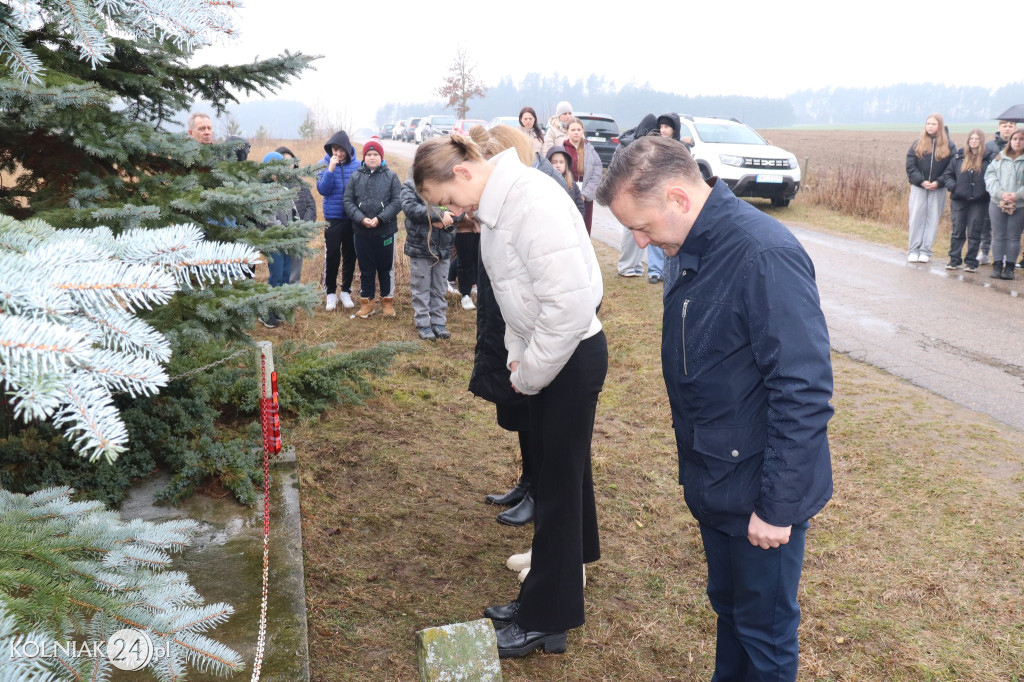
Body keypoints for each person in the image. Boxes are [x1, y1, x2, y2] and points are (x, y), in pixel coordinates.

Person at [597, 136, 834, 681]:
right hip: (719, 479)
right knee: (731, 611)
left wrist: (778, 507)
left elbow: (802, 390)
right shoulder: (691, 246)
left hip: (760, 490)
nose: (638, 240)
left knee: (765, 633)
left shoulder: (762, 254)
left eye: (642, 226)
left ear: (678, 199)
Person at [414, 135, 606, 659]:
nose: (455, 213)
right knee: (556, 476)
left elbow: (568, 305)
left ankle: (547, 620)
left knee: (558, 491)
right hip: (548, 356)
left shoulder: (530, 201)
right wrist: (519, 358)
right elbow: (517, 301)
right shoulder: (500, 205)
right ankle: (555, 577)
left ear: (462, 173)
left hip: (568, 357)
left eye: (449, 201)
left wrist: (530, 373)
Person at [342, 137, 403, 317]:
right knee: (366, 268)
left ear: (381, 156)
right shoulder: (356, 176)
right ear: (364, 157)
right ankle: (367, 303)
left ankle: (387, 301)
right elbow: (348, 201)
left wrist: (380, 218)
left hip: (385, 231)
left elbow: (397, 201)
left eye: (375, 154)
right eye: (369, 154)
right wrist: (361, 219)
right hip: (361, 232)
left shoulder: (391, 176)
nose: (372, 157)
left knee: (385, 268)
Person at [400, 172, 456, 340]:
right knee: (421, 286)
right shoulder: (410, 185)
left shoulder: (448, 183)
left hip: (444, 245)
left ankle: (439, 322)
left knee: (440, 287)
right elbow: (411, 209)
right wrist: (438, 215)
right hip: (421, 246)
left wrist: (449, 218)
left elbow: (458, 208)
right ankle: (423, 323)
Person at [317, 130, 361, 311]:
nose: (339, 153)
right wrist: (330, 170)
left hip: (352, 218)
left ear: (348, 149)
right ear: (330, 149)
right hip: (333, 218)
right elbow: (323, 190)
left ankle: (346, 290)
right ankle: (330, 293)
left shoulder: (357, 164)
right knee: (333, 255)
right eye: (335, 149)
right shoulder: (323, 164)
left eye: (342, 150)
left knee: (350, 254)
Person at [905, 114, 956, 263]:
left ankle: (925, 251)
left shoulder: (949, 146)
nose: (930, 126)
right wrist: (921, 181)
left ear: (939, 126)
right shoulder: (917, 144)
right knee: (916, 219)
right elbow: (910, 165)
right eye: (928, 123)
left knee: (932, 219)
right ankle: (913, 249)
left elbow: (951, 168)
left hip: (937, 189)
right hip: (919, 187)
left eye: (933, 124)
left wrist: (939, 182)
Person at [941, 129, 993, 272]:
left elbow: (993, 177)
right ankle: (954, 259)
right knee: (958, 230)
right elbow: (948, 175)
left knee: (974, 232)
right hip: (959, 200)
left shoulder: (988, 159)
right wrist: (955, 188)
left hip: (979, 201)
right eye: (971, 139)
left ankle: (971, 261)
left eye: (976, 139)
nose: (973, 141)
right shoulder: (959, 157)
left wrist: (985, 192)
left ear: (981, 141)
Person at [616, 114, 660, 278]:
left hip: (643, 192)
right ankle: (626, 265)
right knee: (631, 230)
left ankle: (635, 265)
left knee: (641, 229)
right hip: (629, 192)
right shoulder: (629, 146)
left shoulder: (642, 144)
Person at [984, 128, 1024, 280]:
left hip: (1019, 205)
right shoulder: (1000, 157)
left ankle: (1010, 268)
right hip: (997, 202)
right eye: (1014, 139)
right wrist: (1000, 193)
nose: (1017, 142)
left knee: (1014, 236)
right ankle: (997, 265)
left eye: (1021, 139)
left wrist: (1017, 195)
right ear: (1010, 141)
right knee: (998, 236)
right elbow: (990, 176)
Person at [275, 146, 318, 285]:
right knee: (279, 271)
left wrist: (303, 226)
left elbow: (311, 206)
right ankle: (279, 297)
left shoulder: (302, 184)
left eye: (290, 161)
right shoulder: (273, 184)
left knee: (294, 271)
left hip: (298, 234)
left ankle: (292, 298)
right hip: (279, 235)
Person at [982, 119, 1017, 265]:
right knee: (986, 224)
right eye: (1005, 126)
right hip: (992, 193)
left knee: (1011, 229)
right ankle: (984, 252)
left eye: (1011, 126)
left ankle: (1006, 258)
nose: (1007, 129)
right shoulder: (990, 146)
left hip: (1014, 196)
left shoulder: (1020, 147)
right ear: (999, 128)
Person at [562, 117, 603, 235]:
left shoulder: (590, 150)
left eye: (579, 130)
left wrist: (585, 194)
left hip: (585, 198)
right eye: (573, 129)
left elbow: (596, 172)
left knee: (584, 229)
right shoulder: (562, 149)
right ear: (567, 131)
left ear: (582, 131)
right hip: (568, 195)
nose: (576, 132)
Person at [546, 145, 585, 215]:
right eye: (554, 162)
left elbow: (580, 207)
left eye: (561, 162)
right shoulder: (544, 182)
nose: (558, 165)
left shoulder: (572, 185)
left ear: (566, 164)